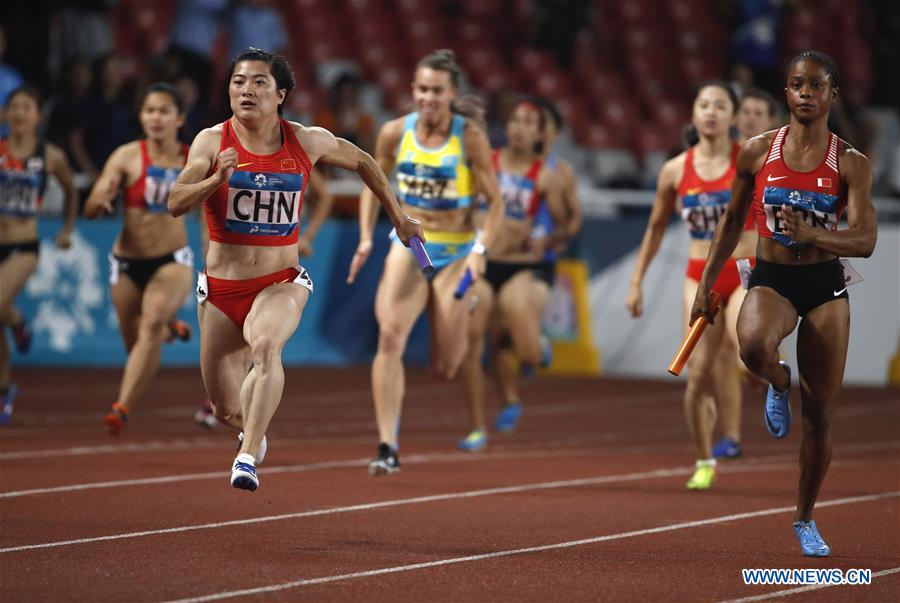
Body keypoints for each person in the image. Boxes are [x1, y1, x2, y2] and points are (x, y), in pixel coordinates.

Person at [168, 48, 422, 492]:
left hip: (279, 283)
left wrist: (398, 216)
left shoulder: (305, 140)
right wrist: (214, 181)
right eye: (238, 81)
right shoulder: (212, 142)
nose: (247, 90)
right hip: (220, 291)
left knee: (266, 346)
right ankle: (252, 432)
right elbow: (174, 202)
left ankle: (246, 459)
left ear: (281, 93)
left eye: (259, 82)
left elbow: (364, 161)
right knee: (227, 408)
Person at [691, 51, 876, 556]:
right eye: (797, 85)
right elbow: (731, 221)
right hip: (771, 278)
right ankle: (777, 379)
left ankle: (805, 518)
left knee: (819, 417)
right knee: (750, 345)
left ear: (833, 95)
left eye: (817, 86)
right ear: (786, 93)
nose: (806, 94)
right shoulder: (756, 151)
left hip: (824, 288)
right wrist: (709, 281)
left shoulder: (850, 163)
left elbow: (864, 239)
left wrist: (817, 234)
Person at [345, 49, 505, 475]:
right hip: (410, 245)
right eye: (421, 89)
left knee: (446, 366)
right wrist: (364, 237)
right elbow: (372, 183)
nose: (427, 98)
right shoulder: (395, 132)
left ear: (452, 94)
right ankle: (387, 445)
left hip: (454, 252)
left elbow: (495, 201)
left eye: (437, 90)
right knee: (390, 339)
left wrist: (479, 251)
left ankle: (456, 308)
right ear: (412, 91)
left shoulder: (468, 136)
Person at [626, 81, 751, 490]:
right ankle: (703, 459)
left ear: (734, 116)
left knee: (744, 342)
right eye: (704, 104)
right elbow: (656, 227)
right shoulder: (676, 170)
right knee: (697, 376)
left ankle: (773, 375)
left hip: (746, 269)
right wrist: (636, 282)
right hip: (700, 277)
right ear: (693, 114)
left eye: (720, 105)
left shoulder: (750, 160)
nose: (711, 112)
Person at [84, 83, 199, 435]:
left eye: (165, 110)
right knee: (135, 344)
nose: (156, 117)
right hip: (126, 262)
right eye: (150, 110)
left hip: (172, 260)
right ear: (140, 115)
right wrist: (100, 201)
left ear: (179, 118)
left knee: (148, 325)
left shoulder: (193, 157)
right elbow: (90, 208)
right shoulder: (126, 156)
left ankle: (121, 408)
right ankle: (168, 329)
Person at [458, 98, 568, 450]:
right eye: (514, 121)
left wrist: (547, 239)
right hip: (483, 262)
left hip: (522, 267)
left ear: (539, 133)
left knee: (527, 352)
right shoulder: (485, 162)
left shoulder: (547, 176)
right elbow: (464, 203)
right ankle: (477, 426)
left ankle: (538, 345)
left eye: (528, 123)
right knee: (472, 340)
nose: (519, 128)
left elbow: (564, 225)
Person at [0, 86, 77, 424]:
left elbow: (73, 191)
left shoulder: (50, 155)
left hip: (23, 246)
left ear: (38, 116)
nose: (18, 113)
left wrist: (66, 230)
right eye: (13, 107)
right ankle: (5, 389)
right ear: (5, 114)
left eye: (26, 107)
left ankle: (18, 321)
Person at [711, 85, 780, 459]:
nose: (751, 117)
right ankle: (732, 435)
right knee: (722, 355)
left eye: (759, 112)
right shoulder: (721, 157)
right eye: (746, 112)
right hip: (719, 262)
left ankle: (765, 365)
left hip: (753, 263)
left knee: (738, 344)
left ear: (771, 121)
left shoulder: (777, 160)